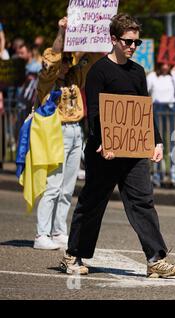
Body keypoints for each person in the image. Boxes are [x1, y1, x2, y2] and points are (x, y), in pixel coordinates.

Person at [60, 13, 175, 278]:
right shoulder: (99, 71)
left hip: (134, 150)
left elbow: (144, 111)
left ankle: (155, 259)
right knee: (93, 203)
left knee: (143, 202)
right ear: (113, 39)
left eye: (136, 43)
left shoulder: (138, 72)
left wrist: (156, 142)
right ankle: (73, 255)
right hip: (104, 151)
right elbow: (95, 113)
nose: (132, 47)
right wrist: (104, 142)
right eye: (128, 42)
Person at [32, 17, 101, 250]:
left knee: (67, 186)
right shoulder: (46, 82)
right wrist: (62, 31)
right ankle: (42, 233)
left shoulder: (75, 77)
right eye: (63, 60)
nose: (65, 64)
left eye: (67, 61)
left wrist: (97, 30)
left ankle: (58, 229)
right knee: (53, 184)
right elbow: (51, 57)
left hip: (75, 131)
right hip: (55, 132)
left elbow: (93, 57)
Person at [147, 62, 175, 187]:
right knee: (158, 143)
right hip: (157, 110)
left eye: (167, 64)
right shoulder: (152, 76)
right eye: (162, 64)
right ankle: (158, 174)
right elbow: (146, 90)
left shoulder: (173, 76)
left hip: (171, 110)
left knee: (173, 142)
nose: (165, 66)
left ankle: (173, 175)